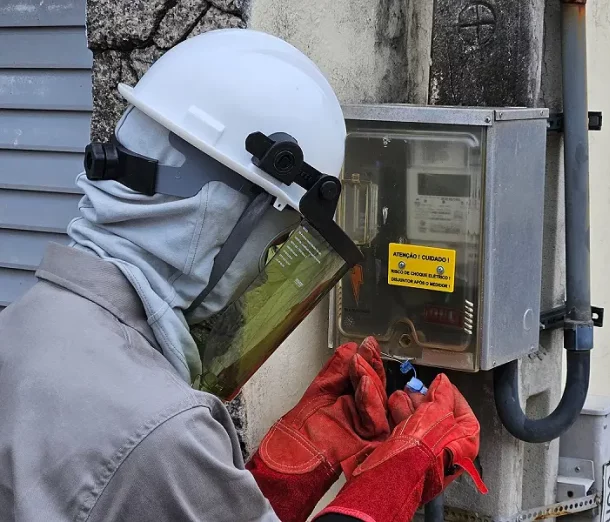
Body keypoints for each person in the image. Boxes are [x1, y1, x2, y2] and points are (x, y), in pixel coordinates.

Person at [0, 29, 486, 522]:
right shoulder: (161, 435)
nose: (260, 273)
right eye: (275, 246)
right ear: (222, 219)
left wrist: (282, 477)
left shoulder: (22, 325)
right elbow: (145, 464)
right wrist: (385, 492)